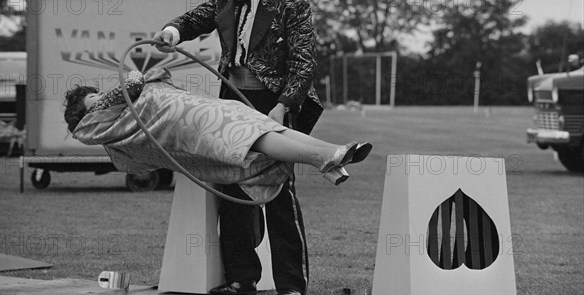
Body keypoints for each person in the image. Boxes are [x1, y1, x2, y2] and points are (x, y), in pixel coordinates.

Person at [152, 0, 325, 295]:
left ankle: (292, 285)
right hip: (232, 100)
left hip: (276, 101)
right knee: (230, 185)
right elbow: (198, 18)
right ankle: (241, 277)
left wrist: (284, 105)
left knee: (277, 188)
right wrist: (172, 31)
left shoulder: (291, 3)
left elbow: (304, 62)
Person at [63, 68, 372, 193]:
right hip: (190, 122)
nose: (101, 99)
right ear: (84, 112)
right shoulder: (97, 121)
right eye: (94, 99)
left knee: (263, 130)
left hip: (196, 115)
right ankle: (327, 157)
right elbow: (131, 81)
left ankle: (330, 154)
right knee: (254, 137)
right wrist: (147, 76)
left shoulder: (109, 134)